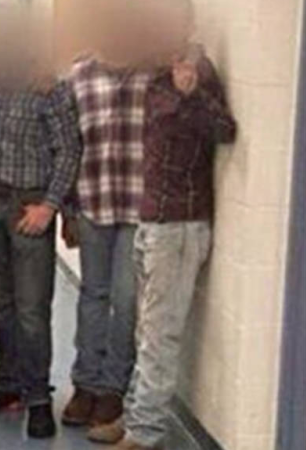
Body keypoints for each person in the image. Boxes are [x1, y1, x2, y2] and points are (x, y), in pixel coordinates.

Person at [87, 10, 238, 450]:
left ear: (185, 26)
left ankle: (144, 434)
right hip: (150, 218)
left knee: (158, 336)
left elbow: (225, 130)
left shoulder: (197, 72)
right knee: (145, 330)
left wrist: (191, 96)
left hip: (179, 226)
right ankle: (137, 415)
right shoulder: (153, 74)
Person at [0, 3, 82, 439]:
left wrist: (50, 206)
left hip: (28, 207)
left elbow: (69, 150)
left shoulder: (47, 85)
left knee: (32, 310)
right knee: (3, 306)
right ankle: (6, 382)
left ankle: (37, 396)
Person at [61, 8, 157, 431]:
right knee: (92, 295)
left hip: (138, 208)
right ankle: (85, 383)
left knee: (127, 299)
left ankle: (113, 387)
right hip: (93, 204)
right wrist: (67, 211)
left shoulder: (153, 74)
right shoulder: (78, 76)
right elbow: (69, 147)